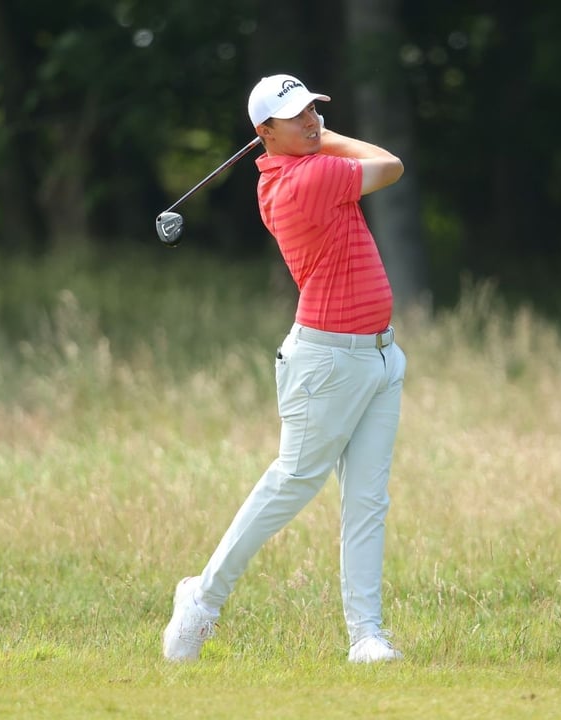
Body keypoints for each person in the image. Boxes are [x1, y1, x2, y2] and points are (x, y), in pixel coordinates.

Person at [163, 74, 408, 664]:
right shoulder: (308, 178)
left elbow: (365, 161)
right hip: (327, 361)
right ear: (263, 133)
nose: (311, 121)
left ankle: (366, 636)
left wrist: (309, 136)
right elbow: (392, 164)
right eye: (295, 115)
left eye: (314, 110)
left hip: (379, 355)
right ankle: (201, 598)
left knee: (368, 500)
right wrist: (324, 140)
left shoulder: (292, 168)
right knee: (292, 483)